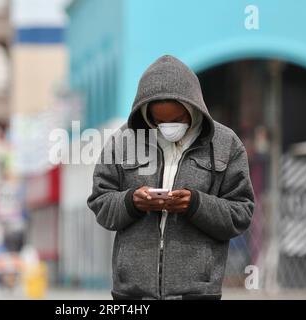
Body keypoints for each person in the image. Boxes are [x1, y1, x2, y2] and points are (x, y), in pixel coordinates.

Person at [87, 55, 255, 300]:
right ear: (147, 113)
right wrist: (132, 202)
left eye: (177, 120)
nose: (168, 127)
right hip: (132, 294)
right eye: (159, 121)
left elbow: (241, 213)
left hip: (197, 292)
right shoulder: (124, 141)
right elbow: (100, 202)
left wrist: (195, 205)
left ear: (193, 109)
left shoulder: (226, 144)